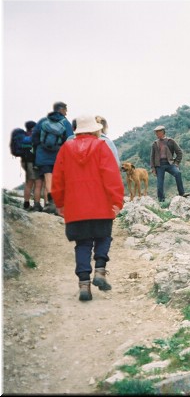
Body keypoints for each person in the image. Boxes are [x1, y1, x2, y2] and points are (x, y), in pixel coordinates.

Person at [52, 114, 124, 301]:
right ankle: (100, 271)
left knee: (82, 244)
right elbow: (111, 176)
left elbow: (58, 179)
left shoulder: (66, 149)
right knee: (104, 237)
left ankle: (84, 285)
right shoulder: (101, 146)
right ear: (95, 130)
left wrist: (59, 203)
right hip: (101, 204)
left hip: (75, 207)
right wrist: (117, 201)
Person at [31, 101, 74, 214]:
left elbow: (34, 137)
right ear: (61, 110)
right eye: (65, 110)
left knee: (47, 179)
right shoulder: (65, 123)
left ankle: (48, 204)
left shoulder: (43, 121)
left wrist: (40, 148)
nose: (66, 112)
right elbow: (70, 140)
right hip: (58, 155)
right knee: (56, 180)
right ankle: (54, 204)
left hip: (42, 155)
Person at [150, 125, 190, 202]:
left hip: (169, 163)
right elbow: (152, 157)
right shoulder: (155, 144)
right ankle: (161, 200)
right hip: (159, 165)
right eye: (156, 133)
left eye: (158, 132)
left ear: (162, 132)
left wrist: (176, 163)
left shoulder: (170, 141)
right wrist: (153, 168)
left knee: (178, 173)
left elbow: (179, 152)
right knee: (160, 183)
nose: (157, 134)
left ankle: (181, 193)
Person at [21, 121, 44, 211]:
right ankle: (37, 205)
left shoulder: (24, 136)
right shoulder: (34, 137)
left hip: (25, 162)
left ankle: (26, 203)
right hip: (34, 163)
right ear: (33, 128)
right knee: (38, 184)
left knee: (28, 184)